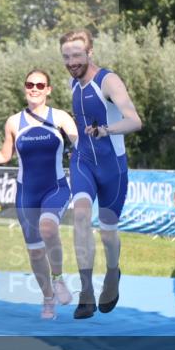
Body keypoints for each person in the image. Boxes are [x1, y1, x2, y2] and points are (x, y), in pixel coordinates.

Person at [0, 69, 79, 319]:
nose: (34, 89)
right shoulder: (14, 122)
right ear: (25, 88)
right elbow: (3, 156)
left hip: (56, 188)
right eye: (30, 84)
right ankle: (48, 297)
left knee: (48, 227)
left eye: (40, 85)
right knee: (34, 251)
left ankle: (59, 278)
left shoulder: (61, 117)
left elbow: (81, 144)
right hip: (26, 194)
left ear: (48, 90)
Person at [60, 29, 142, 319]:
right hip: (83, 162)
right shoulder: (72, 83)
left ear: (90, 53)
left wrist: (106, 130)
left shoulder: (108, 80)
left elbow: (134, 121)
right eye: (67, 56)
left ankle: (112, 272)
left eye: (77, 55)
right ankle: (86, 291)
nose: (72, 62)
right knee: (80, 216)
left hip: (113, 168)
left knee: (108, 230)